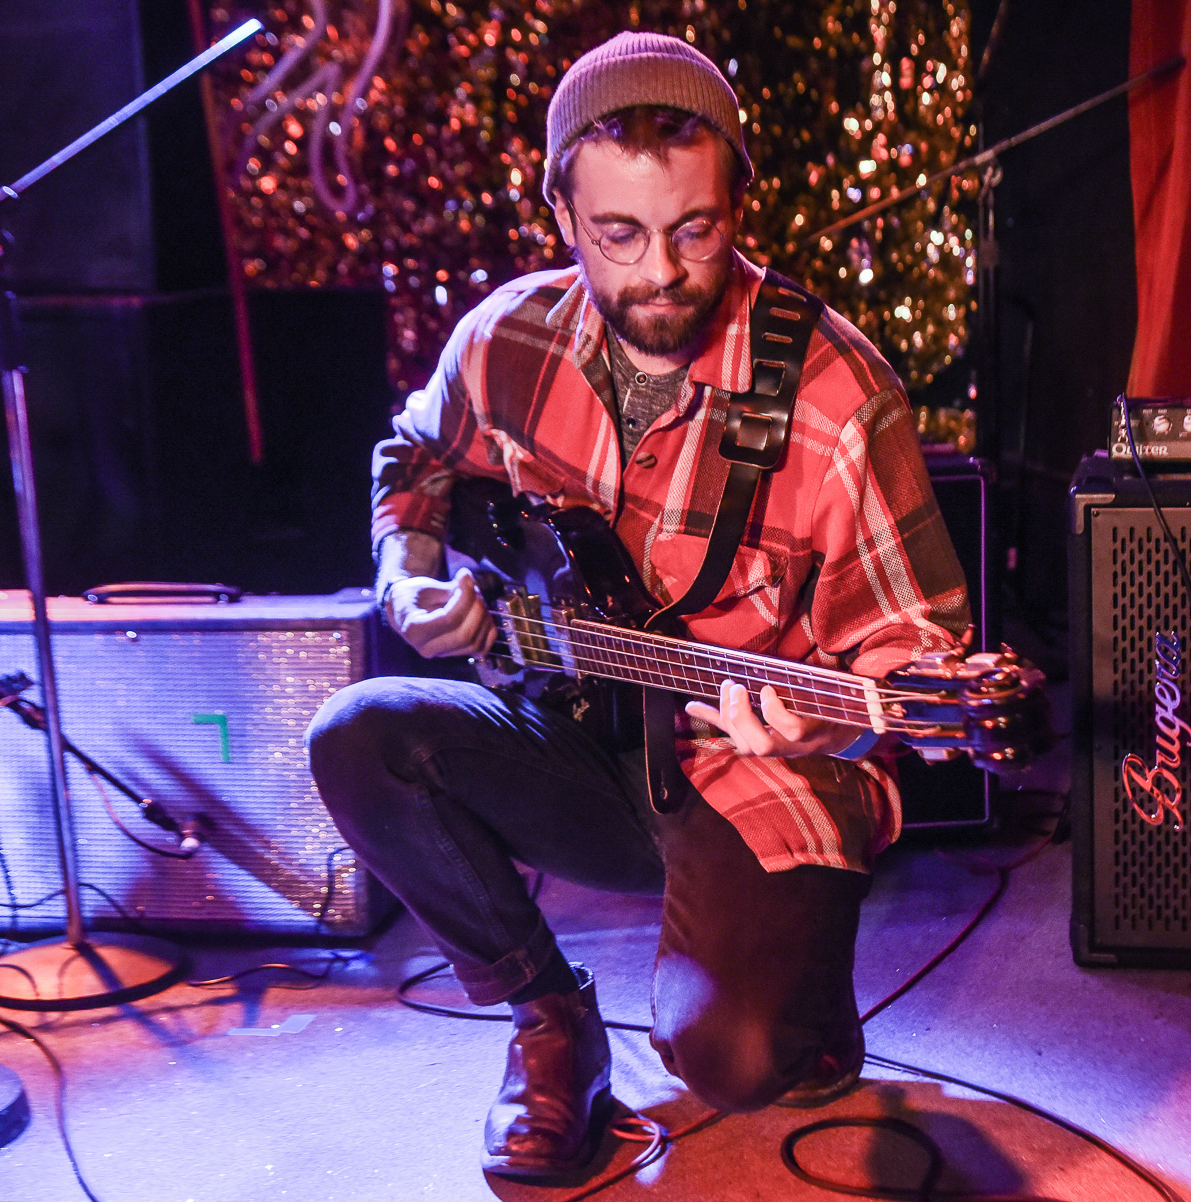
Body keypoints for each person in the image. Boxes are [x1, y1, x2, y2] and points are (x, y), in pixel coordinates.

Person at [305, 30, 970, 1179]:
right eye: (618, 233)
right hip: (575, 738)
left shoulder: (836, 392)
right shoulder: (505, 340)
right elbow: (413, 456)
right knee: (356, 737)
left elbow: (919, 649)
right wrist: (407, 572)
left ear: (739, 201)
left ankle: (795, 989)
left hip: (751, 764)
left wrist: (834, 720)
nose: (660, 271)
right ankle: (551, 1022)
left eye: (695, 229)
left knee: (736, 1057)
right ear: (562, 210)